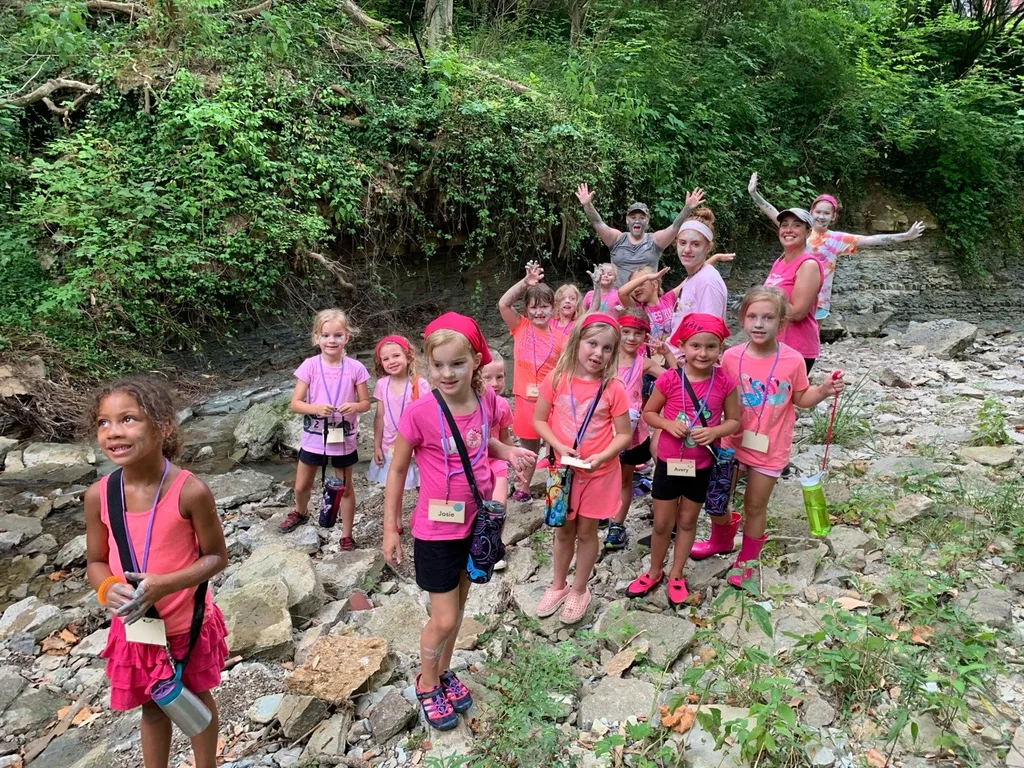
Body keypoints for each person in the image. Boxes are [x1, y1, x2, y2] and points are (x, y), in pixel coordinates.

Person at [382, 313, 536, 731]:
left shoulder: (488, 402)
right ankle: (427, 683)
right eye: (438, 365)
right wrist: (391, 527)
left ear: (476, 362)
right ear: (427, 365)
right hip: (436, 532)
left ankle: (443, 671)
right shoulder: (419, 412)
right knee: (445, 618)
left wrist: (508, 452)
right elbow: (398, 470)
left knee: (461, 603)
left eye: (457, 364)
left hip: (475, 526)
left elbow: (483, 442)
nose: (447, 374)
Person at [84, 377, 229, 768]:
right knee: (152, 706)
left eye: (128, 419)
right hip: (138, 628)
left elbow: (217, 557)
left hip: (186, 624)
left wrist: (165, 584)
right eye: (103, 422)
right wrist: (107, 587)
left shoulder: (190, 491)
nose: (113, 431)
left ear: (163, 426)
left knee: (194, 699)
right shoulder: (99, 495)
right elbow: (95, 561)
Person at [690, 288, 844, 587]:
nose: (759, 324)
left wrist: (824, 390)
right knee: (716, 498)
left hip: (770, 446)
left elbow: (801, 398)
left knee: (754, 506)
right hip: (730, 442)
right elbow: (712, 391)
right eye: (752, 317)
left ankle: (748, 559)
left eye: (768, 318)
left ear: (782, 322)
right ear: (742, 319)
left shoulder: (793, 360)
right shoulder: (730, 357)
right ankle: (721, 539)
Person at [626, 315, 739, 606]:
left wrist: (715, 431)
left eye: (711, 347)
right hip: (669, 462)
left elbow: (734, 421)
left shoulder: (724, 382)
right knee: (662, 523)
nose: (703, 353)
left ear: (720, 349)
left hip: (701, 465)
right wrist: (666, 424)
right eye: (695, 346)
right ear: (683, 347)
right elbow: (649, 413)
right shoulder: (669, 379)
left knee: (688, 521)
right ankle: (654, 571)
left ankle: (676, 573)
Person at [533, 313, 631, 623]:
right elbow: (539, 420)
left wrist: (602, 456)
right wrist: (557, 446)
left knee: (588, 532)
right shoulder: (556, 379)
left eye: (607, 348)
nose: (598, 353)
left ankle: (579, 589)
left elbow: (625, 434)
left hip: (598, 474)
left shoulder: (613, 388)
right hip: (562, 473)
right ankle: (558, 585)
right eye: (592, 344)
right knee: (563, 530)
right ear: (577, 341)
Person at [748, 173, 925, 319]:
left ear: (833, 217)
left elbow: (871, 239)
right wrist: (754, 194)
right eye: (818, 212)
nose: (821, 216)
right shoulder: (797, 230)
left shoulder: (837, 239)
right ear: (811, 212)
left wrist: (905, 236)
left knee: (809, 339)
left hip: (819, 299)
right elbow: (773, 212)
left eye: (827, 213)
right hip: (788, 294)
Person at [280, 309, 371, 550]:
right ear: (316, 338)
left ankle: (346, 535)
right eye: (326, 335)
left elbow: (365, 403)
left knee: (345, 487)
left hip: (343, 437)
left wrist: (354, 405)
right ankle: (300, 511)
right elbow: (295, 403)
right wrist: (315, 408)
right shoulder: (309, 366)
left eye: (338, 335)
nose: (332, 340)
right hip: (314, 436)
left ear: (347, 337)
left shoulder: (356, 368)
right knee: (302, 485)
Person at [498, 261, 565, 502]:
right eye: (534, 307)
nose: (539, 312)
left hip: (551, 402)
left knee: (555, 447)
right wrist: (525, 283)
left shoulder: (562, 338)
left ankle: (555, 491)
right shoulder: (520, 326)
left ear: (553, 309)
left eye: (544, 307)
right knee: (529, 448)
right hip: (525, 400)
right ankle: (523, 488)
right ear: (526, 309)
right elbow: (503, 304)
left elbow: (566, 370)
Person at [603, 309, 666, 551]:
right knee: (602, 473)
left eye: (638, 333)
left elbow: (676, 380)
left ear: (645, 336)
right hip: (603, 427)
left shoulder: (645, 363)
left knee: (624, 478)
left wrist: (667, 354)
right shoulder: (606, 358)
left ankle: (617, 524)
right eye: (626, 331)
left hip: (631, 432)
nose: (631, 338)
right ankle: (601, 510)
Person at [575, 183, 706, 287]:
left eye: (641, 217)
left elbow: (675, 227)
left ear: (647, 220)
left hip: (646, 299)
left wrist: (687, 208)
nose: (637, 221)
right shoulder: (616, 239)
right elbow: (597, 223)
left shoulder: (655, 241)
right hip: (618, 298)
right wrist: (587, 205)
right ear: (627, 220)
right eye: (633, 217)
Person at [763, 208, 824, 373]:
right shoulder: (780, 261)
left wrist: (761, 300)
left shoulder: (808, 265)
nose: (789, 230)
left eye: (796, 225)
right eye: (784, 225)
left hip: (796, 348)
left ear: (808, 232)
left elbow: (797, 313)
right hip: (772, 344)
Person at [369, 335, 430, 490]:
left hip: (415, 447)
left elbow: (427, 419)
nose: (392, 361)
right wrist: (377, 446)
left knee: (422, 485)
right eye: (386, 359)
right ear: (380, 363)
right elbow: (379, 417)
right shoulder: (382, 384)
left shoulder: (419, 384)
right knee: (392, 487)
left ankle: (422, 506)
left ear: (408, 357)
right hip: (389, 445)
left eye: (396, 355)